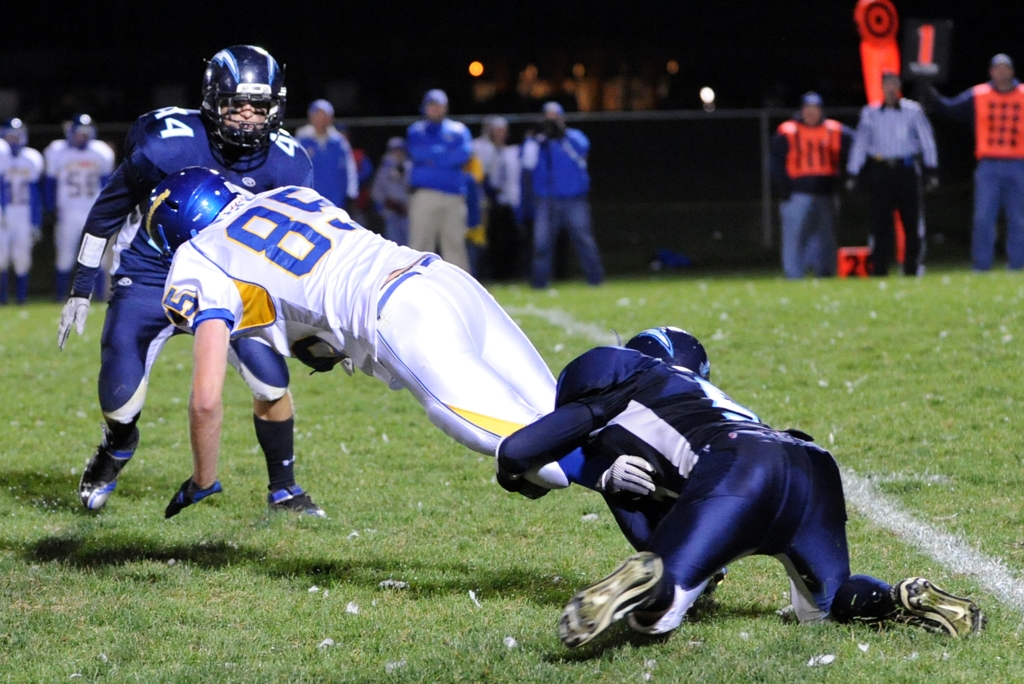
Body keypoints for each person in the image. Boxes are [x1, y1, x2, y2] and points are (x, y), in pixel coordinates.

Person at [495, 327, 985, 647]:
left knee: (655, 617)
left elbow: (518, 452)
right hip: (806, 462)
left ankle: (652, 582)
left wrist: (533, 471)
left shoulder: (620, 382)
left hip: (737, 470)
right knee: (828, 605)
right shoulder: (703, 398)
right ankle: (897, 599)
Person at [145, 168, 566, 518]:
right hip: (442, 278)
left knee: (532, 455)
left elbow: (205, 399)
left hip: (401, 316)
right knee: (564, 413)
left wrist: (203, 478)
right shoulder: (289, 194)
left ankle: (614, 474)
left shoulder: (198, 256)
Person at [55, 46, 323, 517]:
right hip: (154, 269)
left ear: (275, 107)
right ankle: (117, 446)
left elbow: (302, 239)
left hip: (233, 276)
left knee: (272, 384)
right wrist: (81, 284)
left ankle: (284, 488)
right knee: (120, 402)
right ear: (212, 102)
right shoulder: (168, 144)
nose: (246, 118)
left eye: (257, 107)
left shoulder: (289, 164)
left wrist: (317, 315)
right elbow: (107, 212)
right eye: (236, 105)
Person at [927, 54, 1024, 271]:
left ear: (1012, 72)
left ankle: (1018, 265)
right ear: (991, 72)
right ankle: (981, 265)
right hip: (988, 165)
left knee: (1018, 218)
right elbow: (950, 108)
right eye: (996, 69)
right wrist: (932, 96)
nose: (1001, 73)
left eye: (1004, 68)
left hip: (1018, 164)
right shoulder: (979, 95)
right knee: (983, 217)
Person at [847, 72, 939, 277]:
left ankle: (912, 267)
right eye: (886, 84)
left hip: (905, 170)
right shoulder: (870, 112)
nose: (890, 88)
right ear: (881, 87)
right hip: (881, 171)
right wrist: (853, 172)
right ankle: (879, 268)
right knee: (880, 223)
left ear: (898, 86)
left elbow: (926, 139)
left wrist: (931, 168)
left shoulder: (912, 110)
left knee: (911, 222)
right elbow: (861, 143)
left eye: (893, 84)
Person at [770, 92, 853, 279]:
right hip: (797, 193)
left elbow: (858, 146)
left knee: (826, 238)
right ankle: (793, 275)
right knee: (794, 237)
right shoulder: (788, 131)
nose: (812, 113)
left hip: (826, 192)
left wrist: (846, 177)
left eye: (815, 109)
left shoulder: (834, 129)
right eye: (808, 109)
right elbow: (775, 163)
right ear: (801, 110)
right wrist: (784, 189)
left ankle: (825, 273)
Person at [521, 102, 604, 289]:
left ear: (562, 118)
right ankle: (540, 283)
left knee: (583, 239)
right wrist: (535, 139)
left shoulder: (573, 137)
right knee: (541, 243)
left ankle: (596, 279)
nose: (551, 120)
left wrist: (561, 136)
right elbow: (527, 163)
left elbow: (583, 150)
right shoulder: (537, 141)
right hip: (546, 200)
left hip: (573, 199)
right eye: (548, 116)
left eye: (555, 116)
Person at [43, 114, 115, 300]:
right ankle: (60, 297)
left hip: (93, 211)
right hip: (67, 212)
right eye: (79, 133)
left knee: (96, 256)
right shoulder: (57, 151)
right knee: (65, 257)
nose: (81, 137)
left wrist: (107, 210)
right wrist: (51, 209)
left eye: (85, 133)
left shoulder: (101, 152)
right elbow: (50, 183)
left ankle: (98, 297)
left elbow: (107, 185)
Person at [405, 89, 473, 271]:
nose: (435, 109)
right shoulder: (416, 130)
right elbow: (417, 153)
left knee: (455, 246)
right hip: (425, 195)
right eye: (431, 105)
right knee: (419, 246)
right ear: (425, 108)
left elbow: (463, 155)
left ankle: (459, 292)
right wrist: (446, 153)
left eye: (439, 105)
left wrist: (433, 157)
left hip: (453, 196)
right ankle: (415, 288)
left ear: (446, 107)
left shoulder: (459, 130)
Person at [473, 116, 523, 281]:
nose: (500, 134)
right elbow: (481, 174)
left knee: (508, 242)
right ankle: (485, 276)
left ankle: (506, 275)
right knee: (483, 241)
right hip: (484, 200)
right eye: (496, 130)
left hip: (506, 202)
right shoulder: (479, 148)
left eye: (503, 130)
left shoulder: (510, 152)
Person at [0, 119, 43, 305]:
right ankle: (2, 299)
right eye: (10, 136)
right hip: (3, 210)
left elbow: (35, 192)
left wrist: (36, 221)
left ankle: (21, 299)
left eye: (17, 136)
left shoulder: (31, 158)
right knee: (0, 256)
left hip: (23, 212)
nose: (14, 141)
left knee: (22, 257)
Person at [295, 99, 358, 211]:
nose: (321, 119)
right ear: (311, 117)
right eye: (317, 115)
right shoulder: (302, 139)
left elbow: (350, 167)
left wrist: (351, 191)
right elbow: (294, 167)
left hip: (335, 196)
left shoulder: (338, 141)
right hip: (310, 196)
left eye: (324, 115)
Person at [370, 137, 411, 246]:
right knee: (393, 242)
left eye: (400, 150)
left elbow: (414, 188)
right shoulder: (384, 169)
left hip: (407, 211)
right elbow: (377, 191)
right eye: (395, 150)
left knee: (411, 243)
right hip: (391, 211)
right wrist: (382, 205)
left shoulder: (410, 167)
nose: (398, 153)